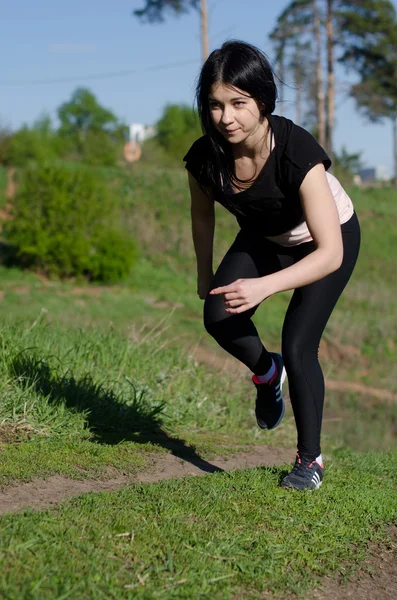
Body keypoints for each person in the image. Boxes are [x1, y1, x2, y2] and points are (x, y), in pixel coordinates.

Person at [184, 40, 360, 491]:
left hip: (326, 238)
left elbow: (330, 253)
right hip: (265, 236)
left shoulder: (296, 151)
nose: (227, 118)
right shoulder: (206, 158)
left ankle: (310, 460)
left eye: (239, 103)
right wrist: (205, 275)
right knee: (219, 316)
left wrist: (266, 288)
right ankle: (266, 372)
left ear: (263, 100)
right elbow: (201, 217)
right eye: (216, 105)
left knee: (299, 343)